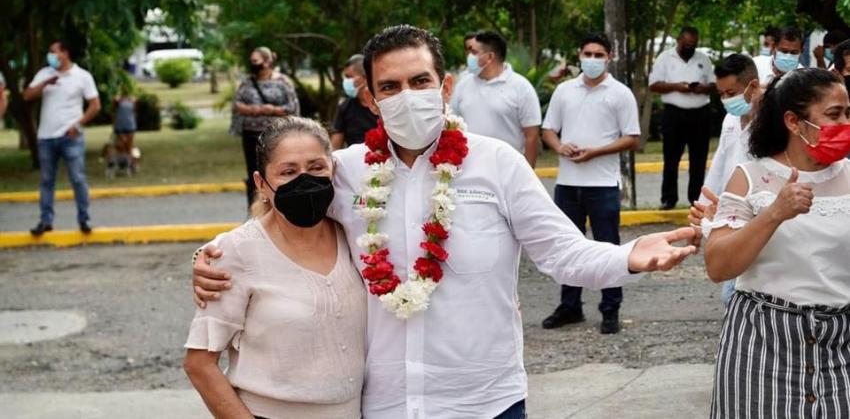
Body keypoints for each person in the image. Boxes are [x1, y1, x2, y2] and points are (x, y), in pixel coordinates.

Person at [192, 24, 699, 419]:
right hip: (387, 404)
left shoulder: (496, 164)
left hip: (486, 402)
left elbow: (563, 253)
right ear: (370, 99)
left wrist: (629, 256)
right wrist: (209, 255)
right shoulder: (344, 172)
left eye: (420, 81)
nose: (406, 94)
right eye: (389, 86)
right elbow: (278, 217)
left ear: (445, 86)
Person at [184, 117, 367, 418]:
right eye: (288, 172)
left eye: (316, 167)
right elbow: (200, 364)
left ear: (333, 169)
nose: (305, 180)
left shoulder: (354, 235)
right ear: (261, 184)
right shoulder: (236, 252)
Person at [704, 68, 850, 418]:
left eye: (848, 114)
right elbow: (718, 266)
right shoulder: (750, 178)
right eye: (834, 114)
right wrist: (774, 214)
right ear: (793, 121)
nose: (845, 124)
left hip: (840, 346)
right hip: (761, 347)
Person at [539, 32, 641, 334]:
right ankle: (570, 306)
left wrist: (596, 151)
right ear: (579, 55)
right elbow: (548, 130)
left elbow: (632, 138)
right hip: (568, 183)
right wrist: (560, 147)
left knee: (608, 247)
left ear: (609, 57)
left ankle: (611, 309)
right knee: (567, 245)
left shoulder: (620, 93)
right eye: (588, 54)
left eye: (599, 55)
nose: (593, 60)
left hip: (603, 184)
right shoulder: (564, 91)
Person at [690, 54, 762, 305]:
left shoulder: (773, 122)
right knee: (732, 294)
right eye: (721, 94)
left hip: (760, 219)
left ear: (753, 86)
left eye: (731, 93)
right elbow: (719, 166)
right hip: (731, 217)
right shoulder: (730, 120)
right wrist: (700, 214)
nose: (726, 100)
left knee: (739, 294)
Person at [23, 40, 100, 235]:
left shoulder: (82, 76)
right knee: (46, 180)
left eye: (53, 51)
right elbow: (27, 95)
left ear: (65, 53)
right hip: (46, 137)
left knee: (77, 178)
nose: (50, 55)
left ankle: (84, 219)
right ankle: (45, 220)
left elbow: (95, 105)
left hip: (70, 136)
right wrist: (45, 83)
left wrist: (78, 125)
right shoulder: (44, 73)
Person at [451, 30, 541, 167]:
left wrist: (528, 172)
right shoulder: (463, 84)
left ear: (490, 57)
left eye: (474, 52)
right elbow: (452, 125)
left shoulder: (521, 87)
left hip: (508, 167)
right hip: (470, 167)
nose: (469, 56)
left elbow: (532, 136)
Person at [649, 26, 716, 209]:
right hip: (674, 114)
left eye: (693, 45)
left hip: (700, 114)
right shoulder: (665, 58)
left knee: (698, 160)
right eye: (686, 45)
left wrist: (702, 88)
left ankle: (695, 198)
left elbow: (715, 85)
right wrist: (676, 86)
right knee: (671, 159)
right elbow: (653, 85)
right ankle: (668, 198)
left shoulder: (703, 59)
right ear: (679, 41)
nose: (690, 49)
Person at [231, 47, 300, 210]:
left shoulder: (282, 81)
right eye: (251, 61)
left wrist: (273, 110)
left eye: (256, 61)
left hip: (276, 136)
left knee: (277, 169)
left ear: (268, 62)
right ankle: (254, 211)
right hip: (250, 135)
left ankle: (278, 207)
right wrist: (254, 109)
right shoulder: (247, 82)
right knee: (253, 173)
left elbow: (293, 106)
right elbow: (236, 104)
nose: (252, 64)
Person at [331, 54, 379, 149]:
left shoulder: (382, 104)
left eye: (349, 77)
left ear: (365, 77)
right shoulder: (345, 107)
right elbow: (334, 147)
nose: (346, 81)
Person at [112, 86, 137, 171]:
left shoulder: (133, 100)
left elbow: (134, 112)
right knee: (121, 146)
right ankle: (122, 164)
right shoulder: (117, 100)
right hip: (119, 125)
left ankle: (131, 165)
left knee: (129, 146)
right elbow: (113, 111)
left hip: (130, 125)